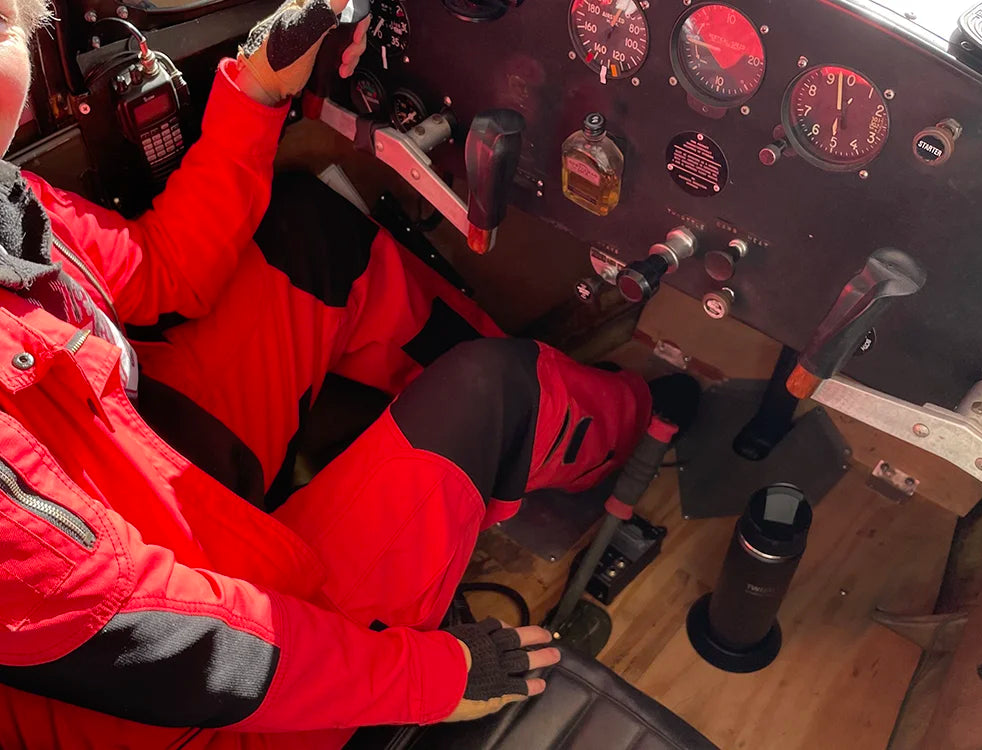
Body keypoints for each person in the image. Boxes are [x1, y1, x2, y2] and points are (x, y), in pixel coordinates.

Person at [0, 0, 693, 747]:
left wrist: (258, 88)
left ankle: (520, 463)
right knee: (497, 389)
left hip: (125, 459)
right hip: (189, 709)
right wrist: (435, 678)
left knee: (313, 236)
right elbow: (179, 648)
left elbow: (164, 272)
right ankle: (641, 421)